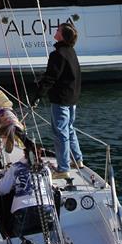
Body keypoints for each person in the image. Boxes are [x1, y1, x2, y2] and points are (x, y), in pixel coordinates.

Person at [31, 21, 82, 177]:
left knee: (60, 133)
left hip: (61, 100)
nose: (56, 30)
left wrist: (37, 96)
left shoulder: (57, 54)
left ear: (62, 35)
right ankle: (77, 160)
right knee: (69, 130)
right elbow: (64, 75)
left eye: (58, 29)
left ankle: (63, 169)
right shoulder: (71, 52)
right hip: (71, 98)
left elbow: (51, 79)